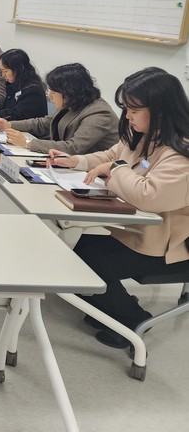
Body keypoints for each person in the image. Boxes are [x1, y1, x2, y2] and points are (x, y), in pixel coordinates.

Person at [49, 68, 189, 348]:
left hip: (169, 247)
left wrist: (116, 169)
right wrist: (75, 161)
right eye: (126, 109)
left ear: (161, 110)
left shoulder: (181, 153)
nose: (127, 116)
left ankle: (133, 320)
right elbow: (111, 155)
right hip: (141, 233)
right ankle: (112, 307)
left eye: (134, 110)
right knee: (84, 248)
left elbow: (148, 195)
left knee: (90, 261)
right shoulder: (144, 134)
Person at [0, 62, 118, 154]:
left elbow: (74, 147)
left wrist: (27, 143)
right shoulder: (73, 102)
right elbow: (45, 123)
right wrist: (9, 125)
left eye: (53, 92)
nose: (49, 96)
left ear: (69, 92)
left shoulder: (99, 113)